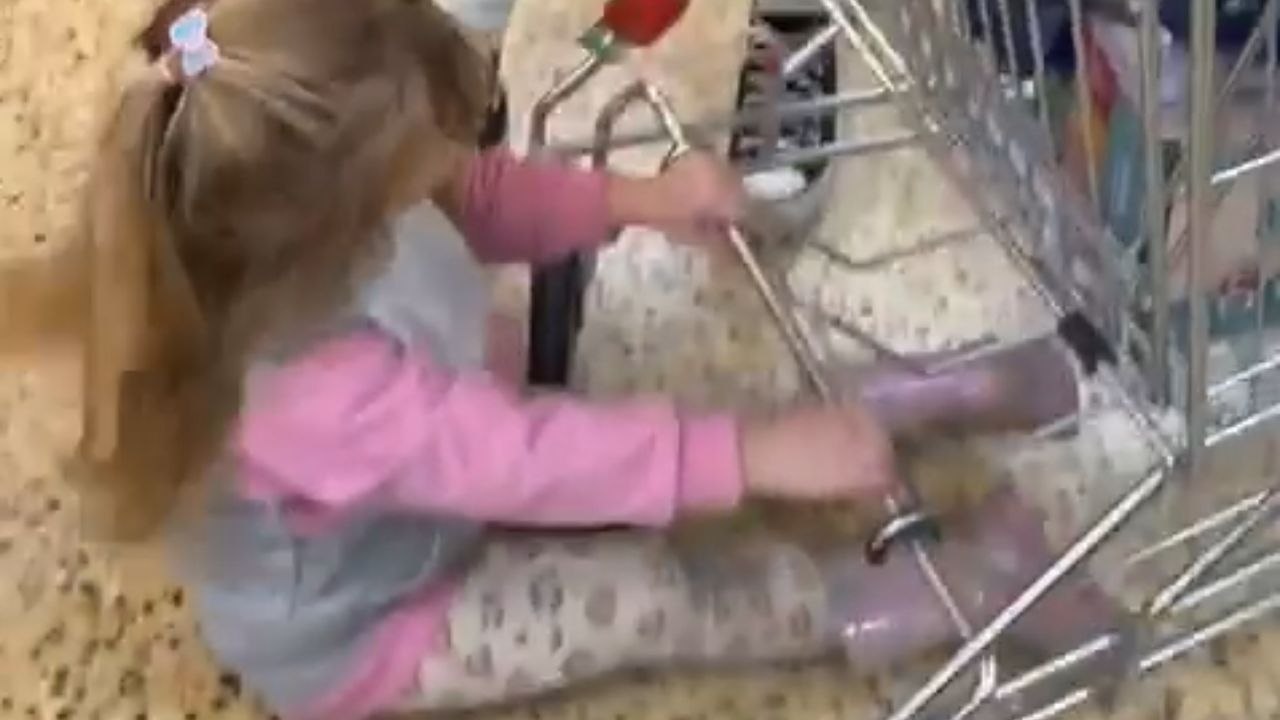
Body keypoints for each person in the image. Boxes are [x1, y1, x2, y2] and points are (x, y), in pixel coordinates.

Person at [76, 0, 1124, 718]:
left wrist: (638, 201)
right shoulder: (310, 398)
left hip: (418, 457)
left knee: (667, 426)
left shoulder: (292, 202)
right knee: (645, 595)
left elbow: (472, 192)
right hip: (372, 622)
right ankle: (935, 590)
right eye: (414, 163)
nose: (449, 164)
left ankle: (929, 393)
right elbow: (528, 460)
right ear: (338, 228)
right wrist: (754, 460)